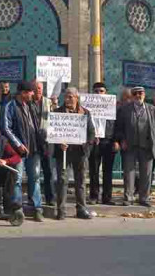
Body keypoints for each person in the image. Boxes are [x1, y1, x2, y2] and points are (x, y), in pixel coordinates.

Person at [1, 80, 44, 222]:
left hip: (34, 147)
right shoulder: (10, 106)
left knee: (35, 177)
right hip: (18, 150)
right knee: (17, 179)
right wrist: (18, 144)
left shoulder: (31, 105)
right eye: (30, 92)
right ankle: (17, 208)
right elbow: (6, 128)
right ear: (23, 93)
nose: (33, 94)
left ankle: (37, 207)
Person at [53, 87, 97, 220]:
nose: (68, 99)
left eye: (71, 96)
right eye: (66, 96)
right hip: (64, 152)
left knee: (81, 181)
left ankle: (81, 209)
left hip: (80, 153)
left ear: (77, 98)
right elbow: (53, 132)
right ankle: (61, 210)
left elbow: (91, 133)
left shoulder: (85, 113)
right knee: (62, 181)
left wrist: (86, 147)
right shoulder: (57, 112)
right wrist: (59, 142)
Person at [114, 86, 155, 207]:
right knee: (129, 173)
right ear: (132, 96)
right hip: (130, 146)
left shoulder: (152, 110)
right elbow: (119, 128)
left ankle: (144, 198)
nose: (138, 96)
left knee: (146, 173)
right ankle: (128, 197)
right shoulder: (124, 110)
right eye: (135, 94)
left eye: (140, 93)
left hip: (147, 146)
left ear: (144, 95)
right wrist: (121, 140)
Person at [88, 82, 118, 205]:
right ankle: (94, 196)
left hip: (108, 141)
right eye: (96, 91)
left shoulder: (113, 107)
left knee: (108, 171)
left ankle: (107, 197)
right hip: (94, 142)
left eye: (101, 91)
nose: (99, 94)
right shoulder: (87, 107)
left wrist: (116, 140)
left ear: (106, 92)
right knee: (93, 170)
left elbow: (118, 125)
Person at [34, 81, 57, 206]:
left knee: (48, 170)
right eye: (35, 88)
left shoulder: (48, 102)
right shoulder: (29, 102)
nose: (38, 90)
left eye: (39, 88)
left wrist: (54, 105)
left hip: (46, 142)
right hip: (32, 140)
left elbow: (56, 117)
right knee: (34, 171)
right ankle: (34, 198)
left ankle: (50, 198)